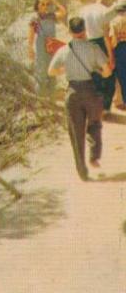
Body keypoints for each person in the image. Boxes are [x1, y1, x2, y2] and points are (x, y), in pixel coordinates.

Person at [48, 17, 111, 180]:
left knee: (76, 133)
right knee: (95, 124)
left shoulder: (63, 50)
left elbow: (51, 71)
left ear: (70, 31)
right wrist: (97, 71)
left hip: (73, 93)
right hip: (91, 91)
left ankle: (82, 171)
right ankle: (94, 156)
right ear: (84, 30)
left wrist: (65, 70)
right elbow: (107, 72)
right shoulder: (93, 48)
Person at [79, 0, 119, 112]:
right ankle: (105, 107)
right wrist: (111, 56)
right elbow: (106, 36)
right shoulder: (104, 11)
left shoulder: (83, 10)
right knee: (109, 76)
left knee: (93, 75)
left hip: (88, 42)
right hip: (101, 43)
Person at [28, 0, 67, 94]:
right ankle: (40, 97)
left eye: (46, 4)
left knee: (53, 69)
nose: (45, 6)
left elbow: (63, 12)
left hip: (52, 46)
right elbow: (31, 34)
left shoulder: (51, 16)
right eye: (42, 4)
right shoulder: (34, 19)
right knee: (41, 71)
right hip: (41, 47)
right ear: (37, 6)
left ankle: (51, 96)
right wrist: (30, 48)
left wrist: (54, 1)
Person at [109, 0, 126, 109]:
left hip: (119, 48)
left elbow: (113, 39)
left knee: (120, 75)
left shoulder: (114, 21)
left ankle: (120, 101)